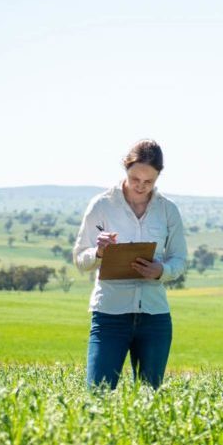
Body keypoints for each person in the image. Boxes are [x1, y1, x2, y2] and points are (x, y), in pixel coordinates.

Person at [73, 139, 188, 390]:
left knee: (149, 401)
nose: (141, 186)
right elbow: (80, 258)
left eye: (149, 182)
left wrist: (162, 271)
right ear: (126, 169)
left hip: (155, 318)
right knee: (98, 394)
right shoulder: (102, 205)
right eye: (135, 178)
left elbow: (179, 260)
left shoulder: (168, 210)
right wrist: (98, 252)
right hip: (109, 316)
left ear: (158, 177)